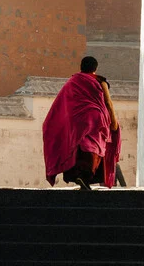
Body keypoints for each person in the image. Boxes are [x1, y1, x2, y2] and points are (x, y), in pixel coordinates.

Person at [42, 56, 121, 190]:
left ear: (81, 67)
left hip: (77, 120)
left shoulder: (73, 81)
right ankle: (86, 176)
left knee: (78, 146)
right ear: (95, 69)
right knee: (93, 146)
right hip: (96, 118)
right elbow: (108, 102)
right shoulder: (100, 81)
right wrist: (114, 122)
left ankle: (78, 175)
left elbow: (62, 103)